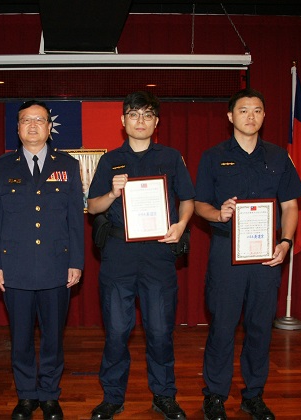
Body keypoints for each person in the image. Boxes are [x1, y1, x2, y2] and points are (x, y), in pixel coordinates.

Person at [194, 88, 301, 420]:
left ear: (264, 115)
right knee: (223, 327)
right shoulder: (212, 156)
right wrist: (219, 213)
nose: (251, 116)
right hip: (226, 254)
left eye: (257, 110)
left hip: (266, 254)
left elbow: (291, 206)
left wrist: (285, 242)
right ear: (230, 117)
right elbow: (199, 204)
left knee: (260, 328)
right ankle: (214, 395)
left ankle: (254, 395)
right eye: (243, 111)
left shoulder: (278, 156)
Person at [86, 91, 195, 420]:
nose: (140, 121)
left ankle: (164, 395)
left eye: (148, 115)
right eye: (134, 115)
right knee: (117, 332)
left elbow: (188, 199)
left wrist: (181, 224)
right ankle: (113, 397)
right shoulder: (109, 161)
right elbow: (93, 207)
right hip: (119, 254)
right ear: (123, 121)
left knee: (160, 331)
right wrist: (112, 192)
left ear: (156, 122)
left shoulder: (172, 157)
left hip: (159, 254)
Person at [0, 100, 84, 420]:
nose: (32, 126)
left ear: (48, 127)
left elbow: (74, 219)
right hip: (16, 267)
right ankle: (27, 395)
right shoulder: (2, 167)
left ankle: (50, 395)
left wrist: (77, 261)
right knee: (22, 338)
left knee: (54, 337)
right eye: (25, 120)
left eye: (39, 120)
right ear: (17, 128)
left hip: (57, 265)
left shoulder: (67, 165)